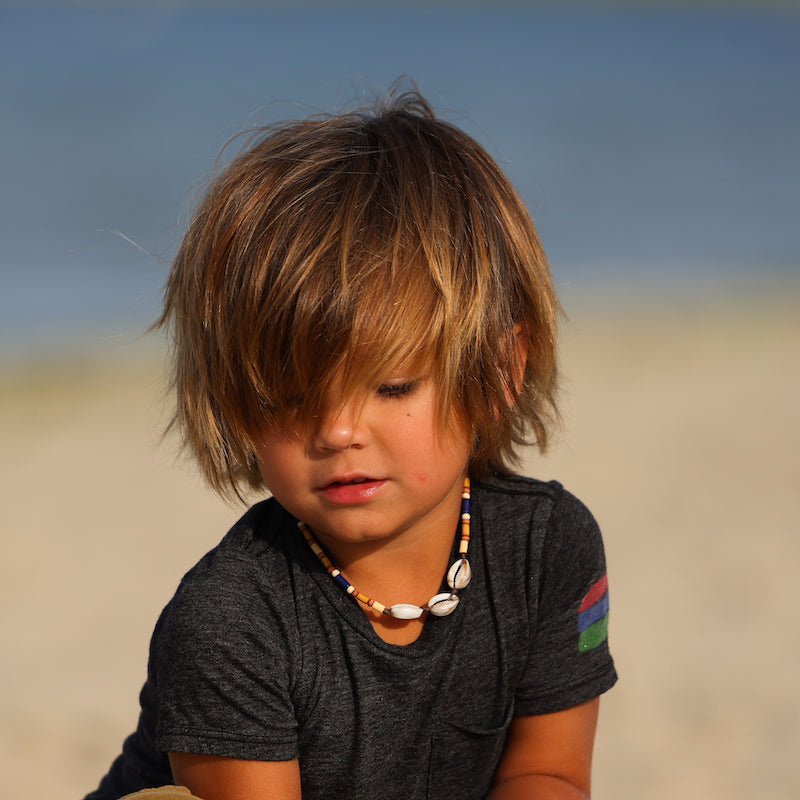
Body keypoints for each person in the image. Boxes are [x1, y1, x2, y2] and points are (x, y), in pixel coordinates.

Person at [85, 85, 617, 800]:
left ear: (497, 371)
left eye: (392, 386)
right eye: (292, 398)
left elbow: (547, 774)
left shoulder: (549, 550)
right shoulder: (230, 622)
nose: (337, 432)